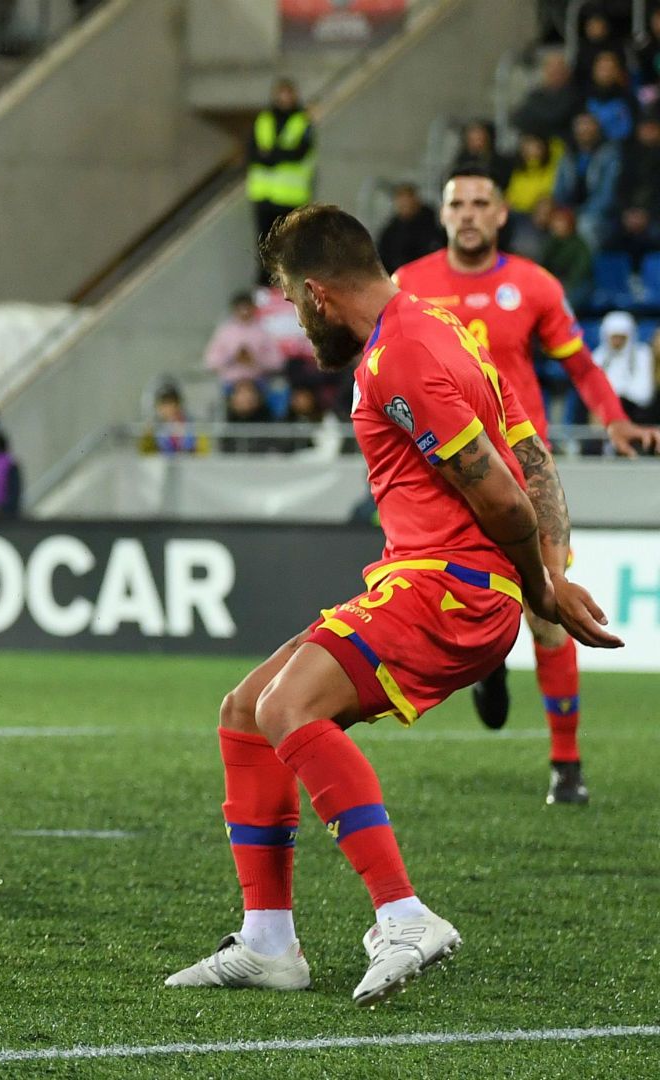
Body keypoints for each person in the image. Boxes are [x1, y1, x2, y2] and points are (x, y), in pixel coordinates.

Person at [167, 203, 620, 1005]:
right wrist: (550, 568)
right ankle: (269, 941)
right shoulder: (440, 325)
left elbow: (508, 498)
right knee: (245, 711)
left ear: (318, 294)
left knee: (289, 708)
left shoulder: (398, 359)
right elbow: (530, 448)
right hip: (428, 580)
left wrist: (542, 585)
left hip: (452, 588)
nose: (301, 325)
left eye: (294, 303)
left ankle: (404, 913)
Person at [392, 170, 660, 799]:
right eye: (457, 202)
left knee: (549, 607)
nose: (468, 214)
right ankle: (487, 668)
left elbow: (580, 363)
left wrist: (616, 419)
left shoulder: (534, 285)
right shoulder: (409, 286)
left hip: (521, 468)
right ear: (443, 213)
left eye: (481, 203)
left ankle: (565, 766)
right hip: (444, 474)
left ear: (502, 215)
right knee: (445, 603)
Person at [247, 79, 315, 249]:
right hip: (264, 197)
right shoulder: (264, 119)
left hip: (292, 198)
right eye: (281, 94)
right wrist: (281, 153)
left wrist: (270, 155)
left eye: (288, 94)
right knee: (266, 249)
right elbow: (252, 152)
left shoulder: (302, 121)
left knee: (290, 249)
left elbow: (298, 154)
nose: (285, 98)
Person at [553, 112, 620, 246]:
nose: (584, 130)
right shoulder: (568, 155)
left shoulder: (609, 154)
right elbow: (559, 190)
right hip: (571, 210)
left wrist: (578, 215)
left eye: (588, 125)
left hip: (602, 215)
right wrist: (562, 212)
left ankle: (586, 266)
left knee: (586, 225)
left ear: (597, 128)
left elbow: (606, 196)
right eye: (580, 126)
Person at [597, 310, 656, 422]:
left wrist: (617, 398)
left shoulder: (643, 354)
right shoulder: (598, 357)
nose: (617, 341)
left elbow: (644, 393)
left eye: (621, 337)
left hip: (636, 413)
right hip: (604, 414)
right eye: (614, 337)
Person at [376, 183, 444, 271]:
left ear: (415, 199)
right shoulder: (390, 233)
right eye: (401, 201)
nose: (405, 204)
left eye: (407, 199)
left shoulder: (435, 223)